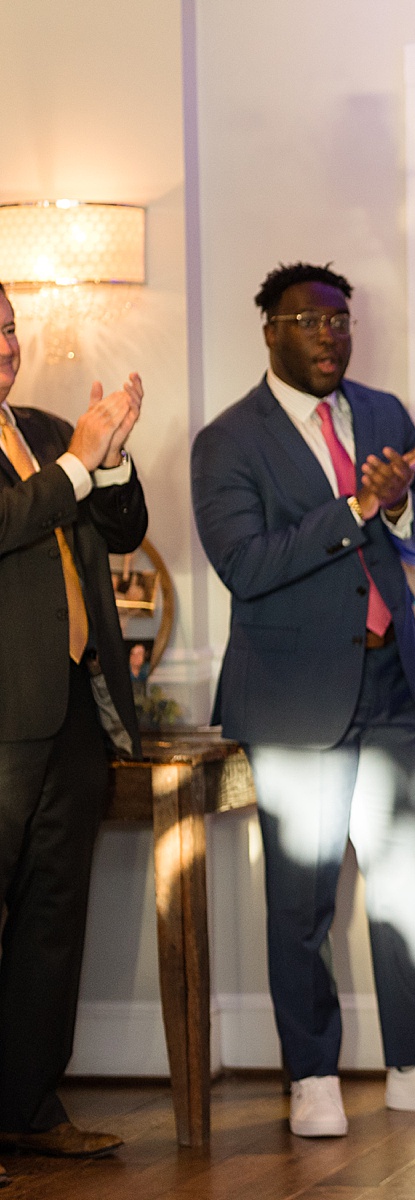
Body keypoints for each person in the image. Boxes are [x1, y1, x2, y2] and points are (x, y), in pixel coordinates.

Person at [190, 263, 415, 1138]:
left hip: (391, 683)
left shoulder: (382, 415)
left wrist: (402, 507)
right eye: (310, 322)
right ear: (270, 331)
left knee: (409, 886)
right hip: (295, 701)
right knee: (301, 902)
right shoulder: (228, 442)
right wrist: (357, 504)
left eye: (341, 322)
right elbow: (246, 567)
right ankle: (312, 1077)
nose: (331, 336)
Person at [0, 280, 147, 1170]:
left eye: (9, 330)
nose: (5, 348)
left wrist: (113, 457)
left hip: (74, 715)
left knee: (54, 920)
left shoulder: (55, 431)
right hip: (3, 721)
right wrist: (75, 471)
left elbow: (123, 530)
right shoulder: (61, 457)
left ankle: (27, 1106)